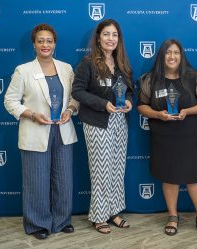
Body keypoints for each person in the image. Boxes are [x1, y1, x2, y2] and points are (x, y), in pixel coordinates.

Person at [4, 24, 79, 239]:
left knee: (63, 179)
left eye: (49, 40)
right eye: (41, 41)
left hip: (63, 130)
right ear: (34, 44)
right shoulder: (23, 70)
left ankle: (62, 220)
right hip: (36, 130)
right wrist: (31, 114)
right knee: (36, 180)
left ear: (55, 44)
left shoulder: (66, 68)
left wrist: (71, 110)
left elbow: (76, 96)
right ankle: (38, 224)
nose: (45, 44)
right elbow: (9, 101)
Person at [137, 39, 197, 238]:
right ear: (161, 56)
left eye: (176, 53)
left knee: (194, 176)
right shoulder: (149, 80)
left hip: (189, 136)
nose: (172, 57)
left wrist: (187, 111)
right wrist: (157, 114)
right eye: (168, 53)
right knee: (169, 176)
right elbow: (141, 106)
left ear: (182, 56)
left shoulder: (195, 77)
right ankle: (173, 216)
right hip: (163, 137)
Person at [72, 19, 133, 234]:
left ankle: (114, 211)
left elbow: (130, 91)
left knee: (117, 169)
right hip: (97, 122)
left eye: (114, 35)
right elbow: (77, 92)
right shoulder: (88, 63)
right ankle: (99, 216)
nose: (110, 39)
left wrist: (128, 102)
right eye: (106, 34)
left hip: (120, 122)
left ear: (119, 39)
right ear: (98, 37)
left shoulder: (122, 63)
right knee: (101, 170)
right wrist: (103, 104)